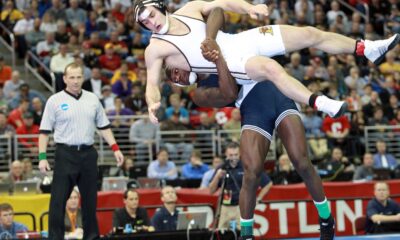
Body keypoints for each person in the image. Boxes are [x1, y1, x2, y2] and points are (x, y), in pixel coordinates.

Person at [168, 8, 336, 239]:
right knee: (251, 172)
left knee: (302, 163)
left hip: (278, 93)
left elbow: (217, 11)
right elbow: (230, 92)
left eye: (174, 70)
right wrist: (217, 59)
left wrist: (210, 38)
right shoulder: (199, 94)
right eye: (173, 79)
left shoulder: (203, 46)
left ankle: (326, 218)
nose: (177, 76)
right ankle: (247, 234)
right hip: (253, 109)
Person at [132, 0, 399, 124]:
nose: (151, 23)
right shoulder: (155, 49)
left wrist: (249, 8)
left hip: (240, 40)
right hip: (230, 61)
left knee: (309, 33)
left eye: (152, 15)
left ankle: (366, 49)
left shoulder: (188, 9)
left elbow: (220, 4)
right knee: (271, 68)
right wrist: (152, 103)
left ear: (160, 7)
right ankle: (320, 103)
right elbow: (151, 83)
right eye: (145, 22)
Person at [38, 62, 124, 240]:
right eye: (72, 77)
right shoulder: (54, 101)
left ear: (83, 78)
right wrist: (42, 157)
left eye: (78, 77)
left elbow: (104, 126)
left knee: (90, 202)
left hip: (88, 154)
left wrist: (115, 148)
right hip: (65, 154)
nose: (75, 81)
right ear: (64, 79)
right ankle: (55, 238)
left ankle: (91, 237)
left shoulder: (93, 99)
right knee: (58, 202)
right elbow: (44, 132)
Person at [209, 142, 272, 231]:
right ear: (226, 154)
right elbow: (211, 191)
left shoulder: (248, 166)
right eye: (230, 155)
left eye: (236, 155)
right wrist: (217, 177)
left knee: (245, 234)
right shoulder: (222, 167)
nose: (233, 158)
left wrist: (258, 199)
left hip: (243, 208)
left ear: (240, 154)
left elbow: (268, 184)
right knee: (221, 236)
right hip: (225, 208)